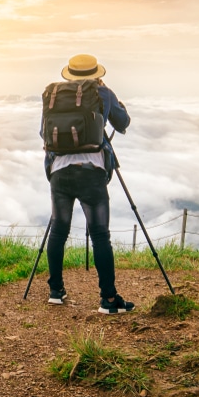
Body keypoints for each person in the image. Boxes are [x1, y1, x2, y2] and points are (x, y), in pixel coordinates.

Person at [40, 54, 134, 314]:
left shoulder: (53, 95)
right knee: (100, 235)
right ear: (96, 74)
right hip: (92, 172)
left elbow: (43, 133)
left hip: (59, 171)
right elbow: (123, 123)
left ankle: (56, 291)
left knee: (58, 231)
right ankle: (109, 300)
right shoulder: (102, 93)